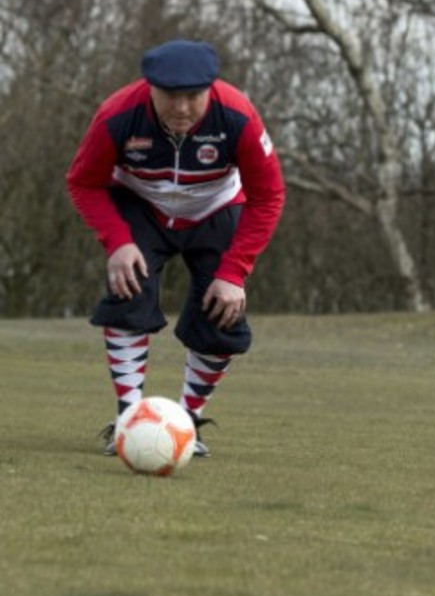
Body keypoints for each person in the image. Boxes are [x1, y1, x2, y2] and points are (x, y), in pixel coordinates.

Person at [67, 39, 285, 457]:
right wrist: (117, 241)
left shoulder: (237, 115)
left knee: (222, 315)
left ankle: (186, 423)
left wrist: (234, 271)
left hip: (216, 209)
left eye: (193, 96)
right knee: (127, 290)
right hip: (141, 207)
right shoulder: (118, 115)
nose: (182, 107)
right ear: (150, 87)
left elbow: (270, 194)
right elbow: (83, 181)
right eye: (171, 95)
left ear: (210, 89)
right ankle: (129, 421)